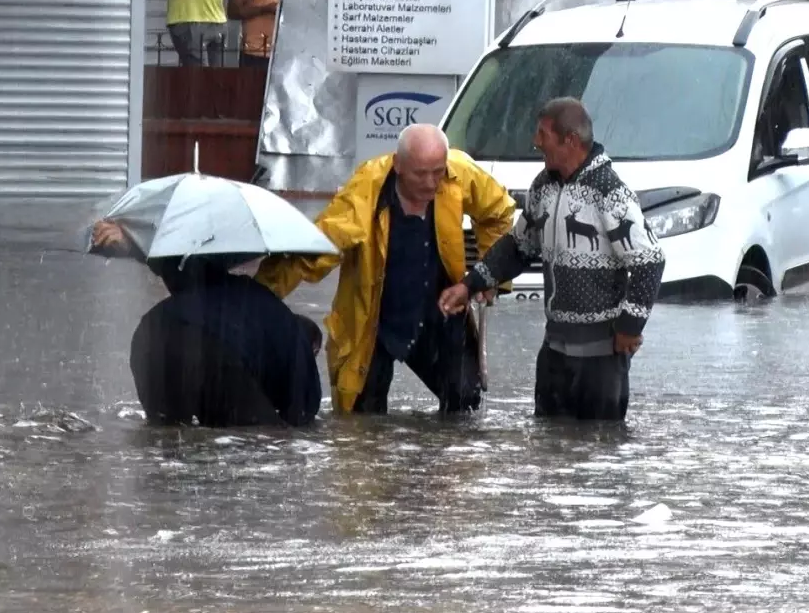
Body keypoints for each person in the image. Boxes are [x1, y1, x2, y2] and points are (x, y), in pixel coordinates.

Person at [254, 124, 516, 416]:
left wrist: (488, 275)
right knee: (363, 424)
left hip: (440, 315)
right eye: (420, 174)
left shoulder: (459, 172)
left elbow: (499, 213)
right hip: (375, 324)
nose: (431, 183)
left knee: (466, 409)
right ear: (398, 165)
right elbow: (313, 252)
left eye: (437, 172)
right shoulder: (364, 192)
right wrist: (257, 297)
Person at [438, 97, 666, 422]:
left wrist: (630, 327)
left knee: (601, 456)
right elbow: (518, 247)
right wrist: (471, 284)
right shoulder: (542, 188)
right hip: (554, 355)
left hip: (601, 361)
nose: (535, 142)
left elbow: (650, 262)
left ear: (569, 140)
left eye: (542, 134)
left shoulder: (610, 193)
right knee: (548, 454)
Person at [91, 221, 322, 427]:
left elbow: (181, 268)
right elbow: (303, 412)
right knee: (256, 442)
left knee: (166, 439)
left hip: (150, 336)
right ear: (313, 348)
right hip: (213, 351)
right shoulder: (296, 344)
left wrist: (134, 242)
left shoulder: (238, 297)